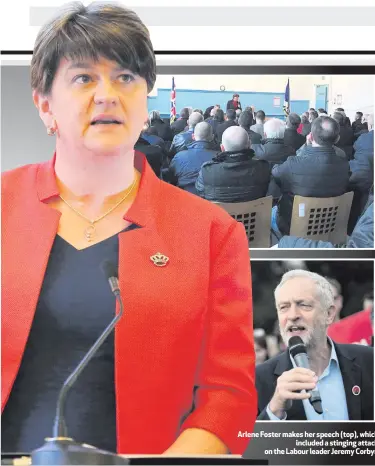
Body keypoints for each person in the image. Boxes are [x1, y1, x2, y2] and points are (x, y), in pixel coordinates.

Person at [1, 1, 257, 456]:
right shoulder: (5, 205)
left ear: (144, 102)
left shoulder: (212, 233)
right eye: (83, 78)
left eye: (126, 78)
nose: (107, 94)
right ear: (45, 106)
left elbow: (230, 398)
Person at [256, 270, 374, 420]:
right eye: (284, 307)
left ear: (329, 314)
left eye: (303, 305)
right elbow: (245, 441)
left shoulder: (369, 362)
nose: (292, 315)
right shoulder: (259, 379)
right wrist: (274, 411)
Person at [271, 116, 350, 236]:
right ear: (337, 139)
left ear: (311, 137)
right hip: (330, 227)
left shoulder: (293, 164)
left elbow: (275, 173)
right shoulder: (345, 166)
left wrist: (304, 147)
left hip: (294, 229)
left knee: (271, 211)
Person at [195, 126, 270, 202]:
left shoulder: (207, 171)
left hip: (219, 213)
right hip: (255, 213)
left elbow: (201, 194)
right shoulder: (264, 168)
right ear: (250, 144)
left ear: (222, 148)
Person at [168, 122, 218, 194]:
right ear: (212, 137)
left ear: (193, 136)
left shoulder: (179, 157)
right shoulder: (220, 158)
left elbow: (171, 179)